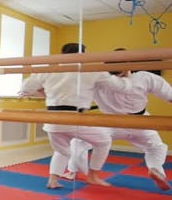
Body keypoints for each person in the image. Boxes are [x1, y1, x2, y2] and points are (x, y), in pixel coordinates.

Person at [20, 43, 132, 189]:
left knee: (62, 151)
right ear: (83, 54)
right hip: (75, 119)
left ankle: (52, 181)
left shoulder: (49, 69)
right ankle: (93, 176)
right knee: (103, 141)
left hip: (52, 121)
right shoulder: (91, 70)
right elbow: (120, 87)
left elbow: (25, 88)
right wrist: (127, 76)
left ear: (62, 54)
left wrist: (44, 93)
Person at [64, 49, 172, 191]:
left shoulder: (97, 80)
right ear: (129, 64)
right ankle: (156, 168)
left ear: (105, 64)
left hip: (110, 123)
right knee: (156, 146)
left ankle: (72, 171)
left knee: (79, 142)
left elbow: (77, 95)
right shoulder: (145, 77)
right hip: (140, 122)